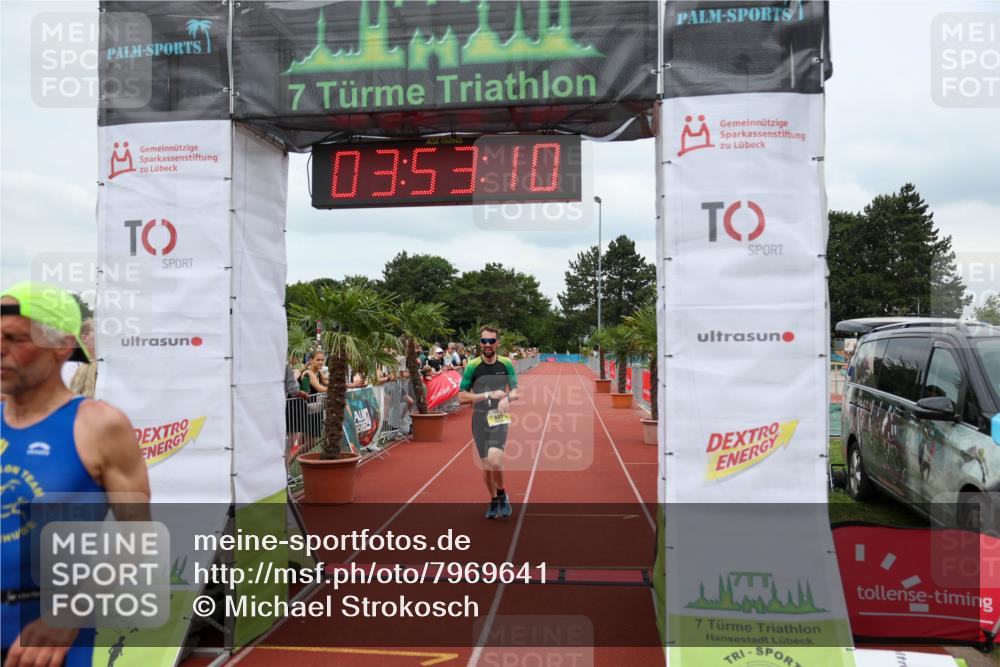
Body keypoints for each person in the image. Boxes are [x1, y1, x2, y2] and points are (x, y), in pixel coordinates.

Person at [1, 282, 150, 667]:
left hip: (42, 639)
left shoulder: (99, 426)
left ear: (61, 347)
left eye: (15, 338)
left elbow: (137, 536)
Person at [458, 325, 520, 519]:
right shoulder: (472, 366)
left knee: (495, 458)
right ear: (480, 343)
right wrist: (486, 395)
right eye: (484, 341)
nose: (487, 344)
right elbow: (461, 397)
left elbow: (517, 390)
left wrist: (506, 398)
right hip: (479, 418)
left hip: (499, 416)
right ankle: (493, 500)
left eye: (491, 341)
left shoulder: (506, 363)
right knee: (486, 465)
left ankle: (502, 495)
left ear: (497, 343)